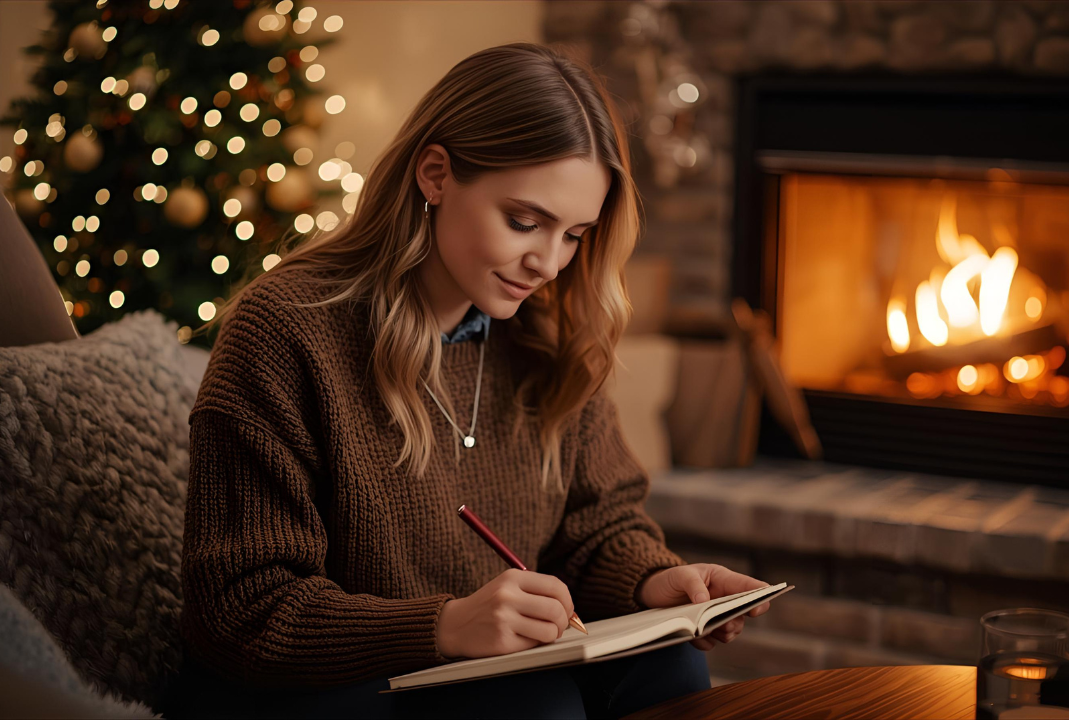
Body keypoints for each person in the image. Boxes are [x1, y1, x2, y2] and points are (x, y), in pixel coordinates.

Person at [166, 42, 773, 719]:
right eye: (523, 221)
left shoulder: (545, 337)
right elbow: (241, 609)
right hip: (298, 690)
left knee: (670, 663)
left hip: (480, 673)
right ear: (435, 175)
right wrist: (445, 627)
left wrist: (656, 581)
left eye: (574, 234)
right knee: (536, 704)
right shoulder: (286, 330)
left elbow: (596, 526)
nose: (547, 261)